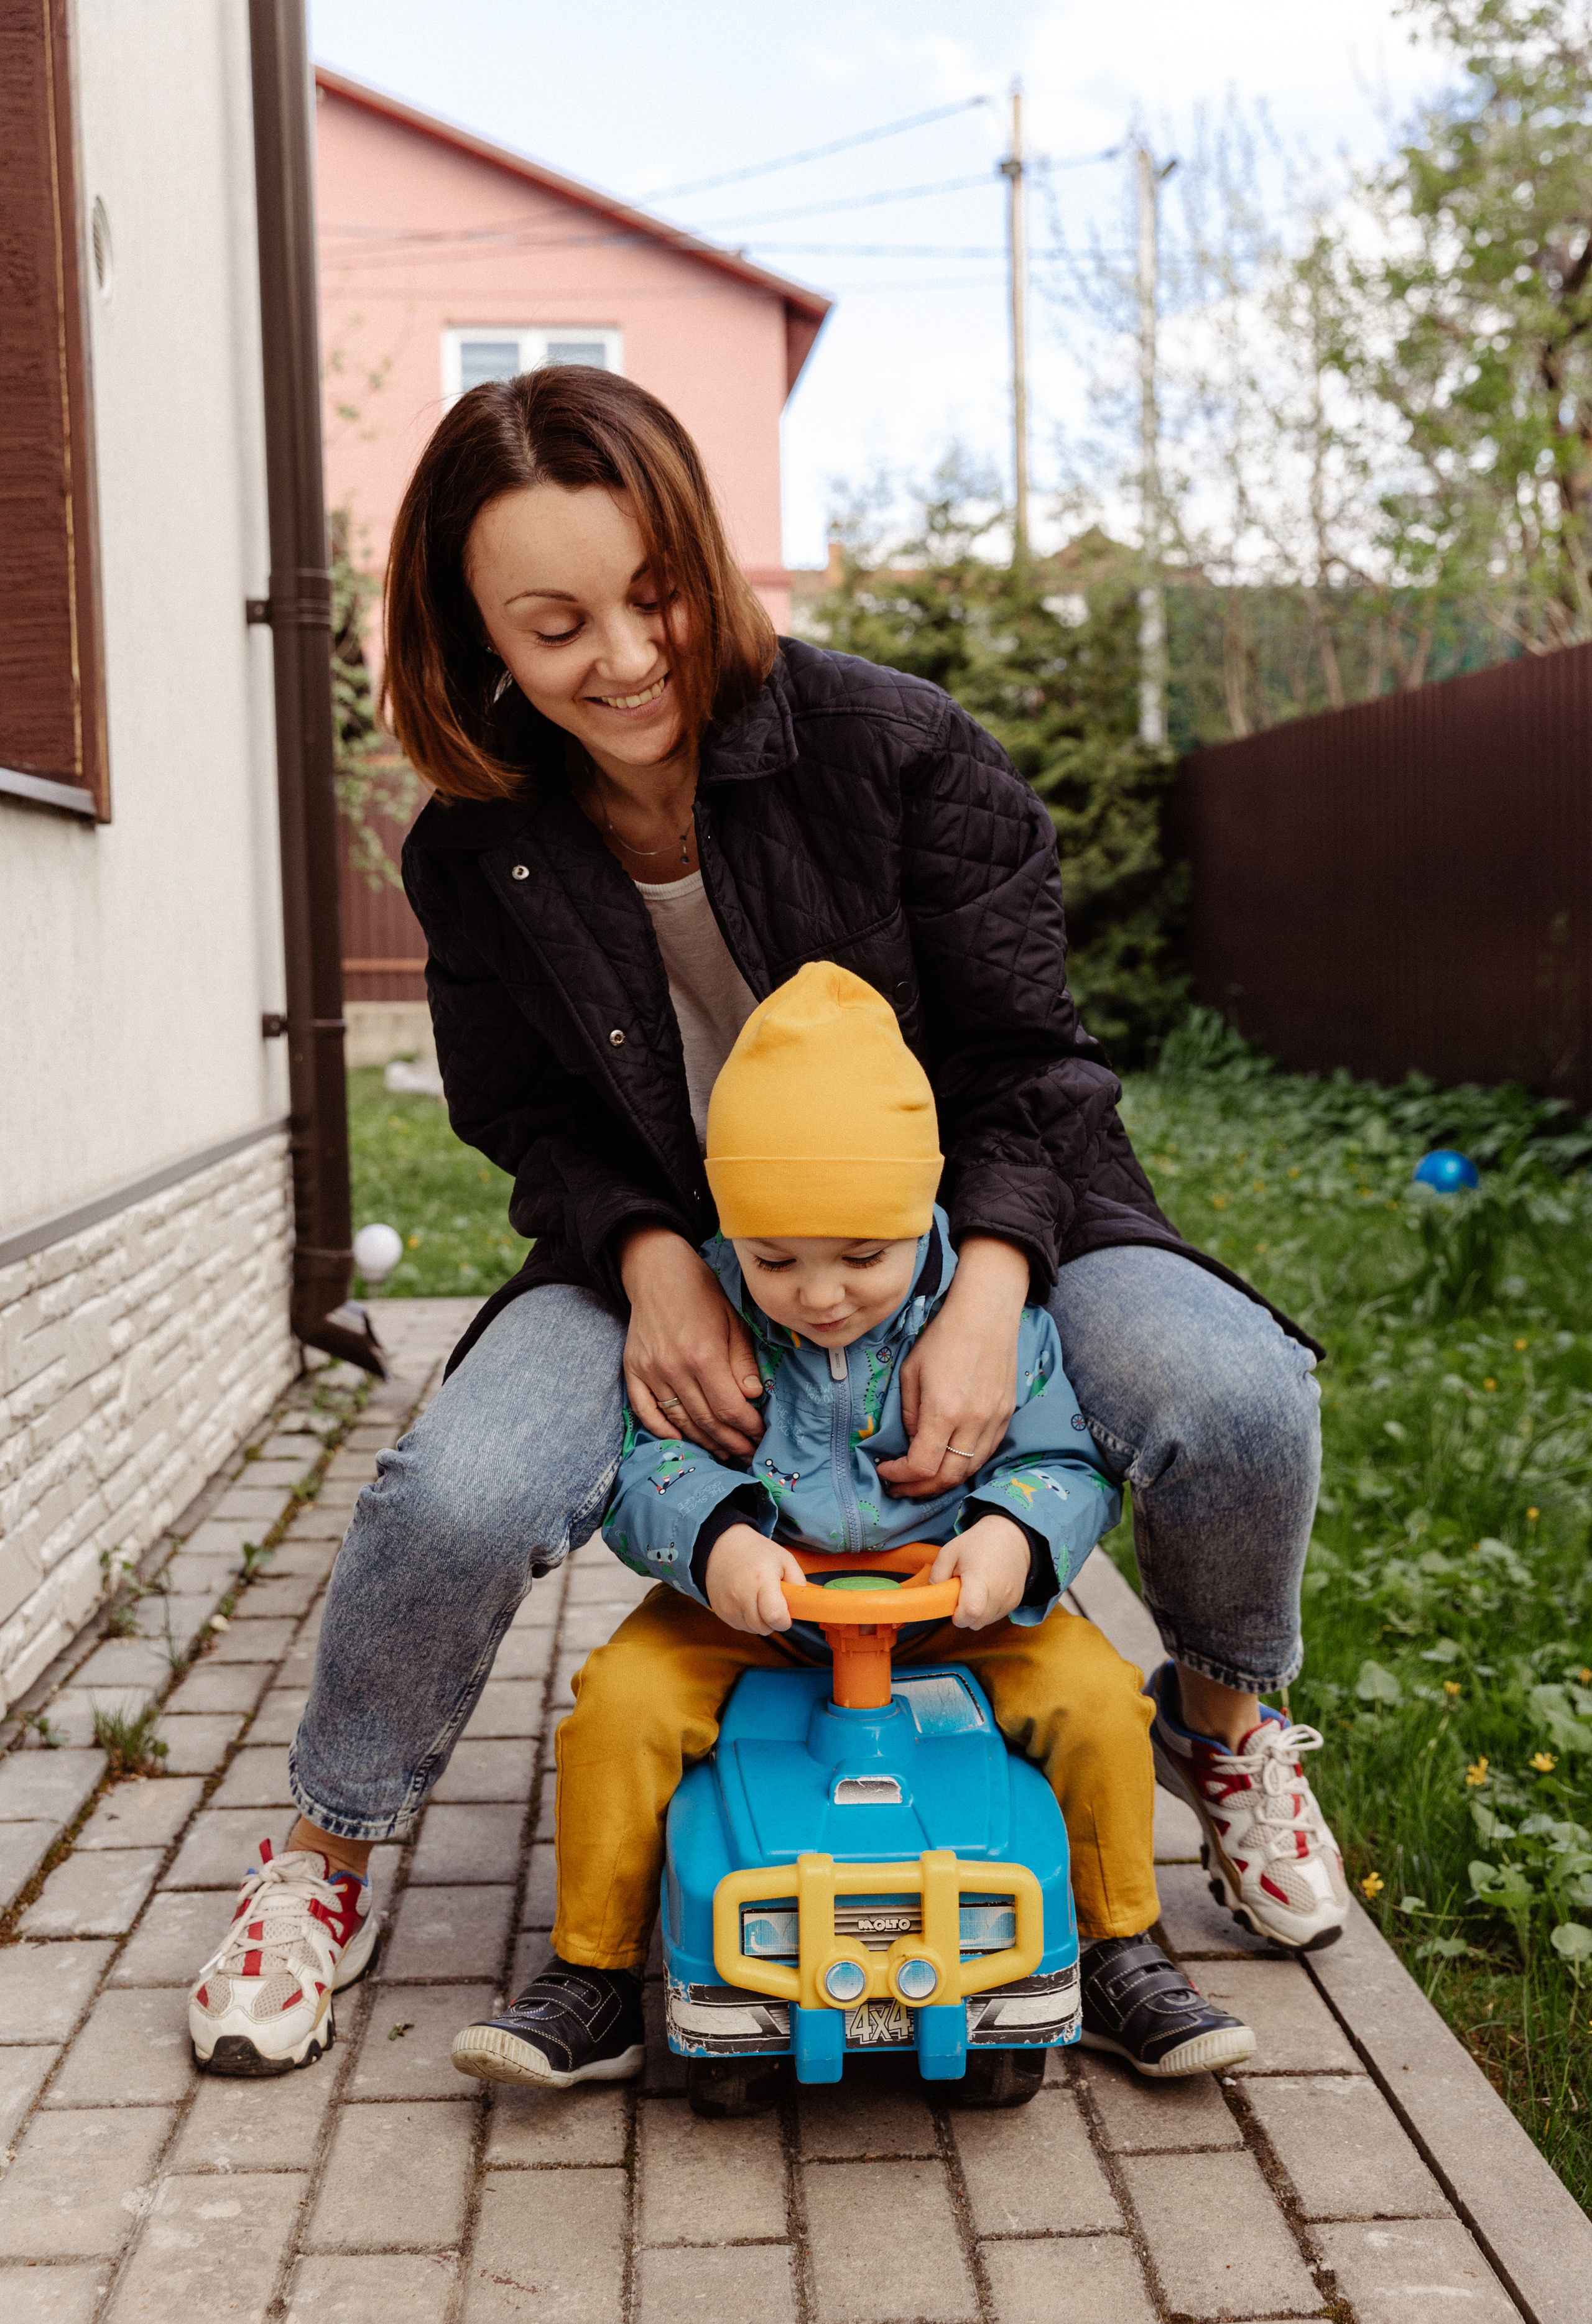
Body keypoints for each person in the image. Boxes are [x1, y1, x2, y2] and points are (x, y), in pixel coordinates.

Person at [185, 364, 1346, 2083]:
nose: (629, 656)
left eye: (653, 593)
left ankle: (1226, 1726)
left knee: (1235, 1394)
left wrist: (985, 1288)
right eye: (556, 622)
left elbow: (1037, 1062)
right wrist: (655, 1263)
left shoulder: (893, 747)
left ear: (703, 563)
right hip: (663, 1237)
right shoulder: (477, 851)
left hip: (987, 1214)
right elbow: (525, 1119)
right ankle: (329, 1858)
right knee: (462, 1485)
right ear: (476, 633)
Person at [448, 962, 1258, 2090]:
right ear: (733, 1229)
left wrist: (1014, 1541)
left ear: (916, 1215)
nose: (819, 1296)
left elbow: (1066, 1462)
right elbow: (646, 1463)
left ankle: (1121, 1947)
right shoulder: (717, 1310)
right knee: (618, 1711)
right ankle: (591, 1976)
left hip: (955, 1608)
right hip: (757, 1609)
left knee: (1099, 1702)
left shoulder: (991, 1322)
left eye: (862, 1259)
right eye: (777, 1258)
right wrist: (716, 1539)